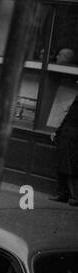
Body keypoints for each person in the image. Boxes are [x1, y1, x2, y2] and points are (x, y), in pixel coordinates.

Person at [49, 63, 78, 204]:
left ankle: (70, 195)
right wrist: (58, 131)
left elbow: (70, 118)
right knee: (65, 165)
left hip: (71, 136)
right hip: (68, 135)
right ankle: (67, 195)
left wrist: (59, 131)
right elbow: (68, 118)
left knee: (68, 167)